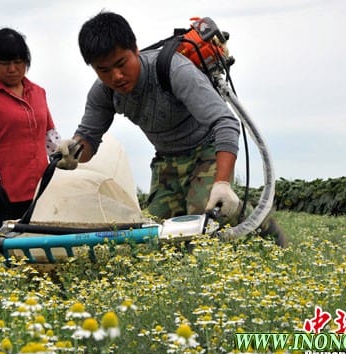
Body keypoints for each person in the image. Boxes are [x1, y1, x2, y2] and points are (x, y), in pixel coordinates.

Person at [57, 11, 287, 247]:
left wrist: (222, 185)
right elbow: (88, 139)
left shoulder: (172, 69)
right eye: (103, 70)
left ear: (135, 50)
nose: (116, 76)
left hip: (206, 151)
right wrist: (73, 151)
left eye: (121, 64)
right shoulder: (103, 93)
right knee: (154, 236)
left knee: (202, 226)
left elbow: (225, 122)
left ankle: (258, 225)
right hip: (166, 161)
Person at [0, 27, 61, 247]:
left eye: (18, 62)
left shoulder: (38, 93)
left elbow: (50, 136)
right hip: (1, 197)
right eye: (4, 63)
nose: (12, 69)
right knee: (2, 263)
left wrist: (64, 161)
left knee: (40, 261)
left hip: (38, 194)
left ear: (26, 61)